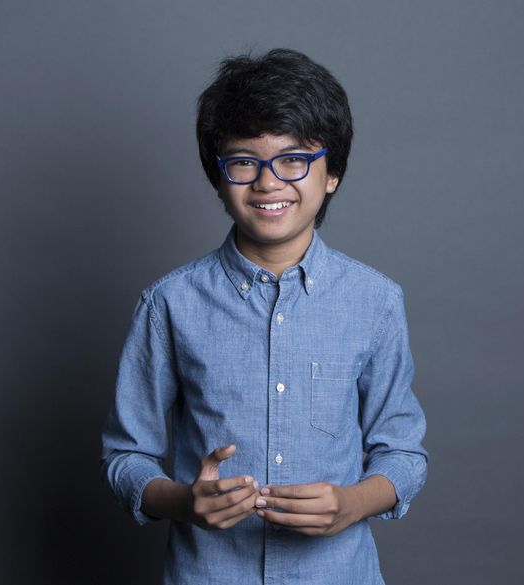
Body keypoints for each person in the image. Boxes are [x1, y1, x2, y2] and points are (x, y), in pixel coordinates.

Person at [101, 48, 429, 584]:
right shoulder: (168, 304)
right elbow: (125, 456)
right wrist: (185, 502)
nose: (268, 182)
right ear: (218, 177)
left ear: (332, 174)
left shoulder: (376, 302)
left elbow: (403, 453)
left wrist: (352, 503)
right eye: (244, 161)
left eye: (294, 159)